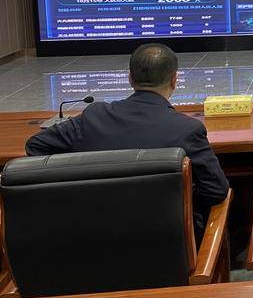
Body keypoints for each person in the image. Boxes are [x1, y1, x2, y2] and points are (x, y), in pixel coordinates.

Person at [25, 43, 229, 240]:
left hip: (90, 241)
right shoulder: (187, 129)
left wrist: (74, 186)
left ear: (130, 78)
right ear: (175, 81)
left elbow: (35, 146)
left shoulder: (93, 117)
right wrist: (180, 194)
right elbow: (217, 191)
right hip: (166, 247)